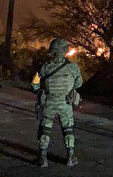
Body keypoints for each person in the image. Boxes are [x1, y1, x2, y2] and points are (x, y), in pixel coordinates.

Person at [31, 38, 82, 168]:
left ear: (52, 51)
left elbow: (34, 83)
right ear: (65, 51)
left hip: (49, 103)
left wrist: (39, 92)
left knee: (45, 129)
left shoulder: (45, 67)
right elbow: (79, 83)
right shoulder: (73, 67)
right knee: (68, 129)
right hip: (65, 104)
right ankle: (70, 157)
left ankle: (43, 159)